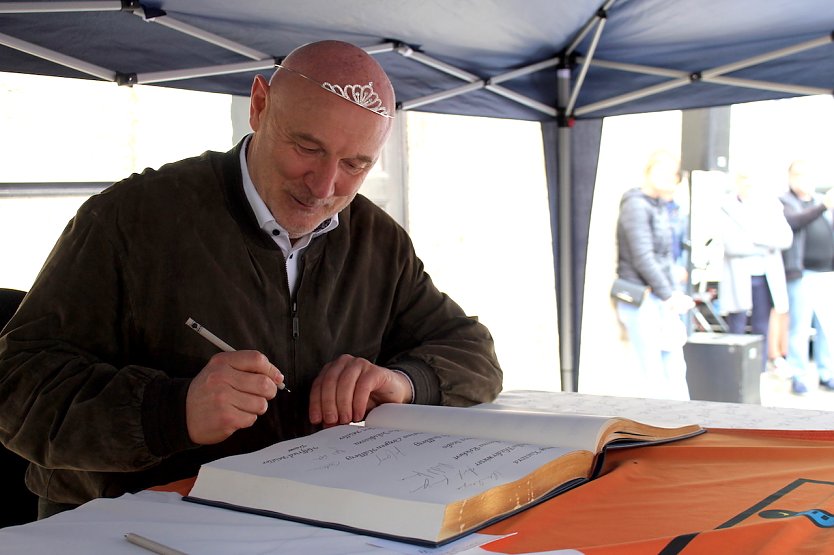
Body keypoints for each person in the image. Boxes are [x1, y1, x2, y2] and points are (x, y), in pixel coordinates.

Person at [0, 40, 503, 518]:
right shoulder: (130, 221)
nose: (326, 186)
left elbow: (473, 352)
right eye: (307, 147)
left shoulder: (377, 241)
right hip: (126, 525)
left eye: (356, 164)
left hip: (307, 515)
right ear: (259, 105)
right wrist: (170, 412)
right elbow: (18, 387)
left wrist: (402, 382)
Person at [615, 150, 695, 400]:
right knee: (651, 374)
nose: (669, 177)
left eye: (673, 173)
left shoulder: (660, 206)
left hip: (660, 298)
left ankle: (682, 425)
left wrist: (671, 293)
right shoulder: (636, 205)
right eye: (662, 170)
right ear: (648, 171)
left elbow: (663, 256)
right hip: (644, 298)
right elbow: (643, 257)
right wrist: (668, 294)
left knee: (673, 369)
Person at [718, 173, 792, 373]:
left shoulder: (771, 207)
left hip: (765, 276)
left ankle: (758, 370)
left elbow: (785, 239)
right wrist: (766, 243)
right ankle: (733, 371)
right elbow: (732, 246)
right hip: (739, 275)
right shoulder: (727, 207)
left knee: (762, 324)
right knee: (737, 323)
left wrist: (756, 239)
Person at [779, 159, 834, 394]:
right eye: (798, 175)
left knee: (827, 328)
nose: (803, 180)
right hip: (802, 273)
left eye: (807, 176)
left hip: (826, 273)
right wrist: (823, 206)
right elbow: (794, 222)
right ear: (791, 178)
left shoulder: (820, 203)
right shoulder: (786, 202)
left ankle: (826, 373)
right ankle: (798, 375)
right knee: (800, 328)